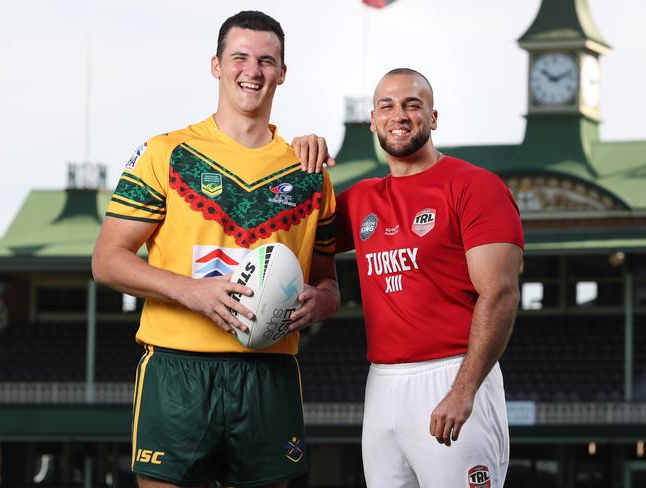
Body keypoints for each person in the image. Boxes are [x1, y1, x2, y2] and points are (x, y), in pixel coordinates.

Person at [92, 11, 339, 488]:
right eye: (240, 57)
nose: (253, 70)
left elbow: (327, 280)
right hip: (178, 364)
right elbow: (107, 260)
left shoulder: (310, 171)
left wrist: (325, 300)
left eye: (267, 60)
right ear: (216, 65)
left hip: (269, 370)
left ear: (283, 73)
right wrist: (194, 292)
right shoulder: (166, 153)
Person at [335, 68, 524, 488]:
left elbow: (501, 293)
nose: (398, 115)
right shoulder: (362, 198)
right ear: (372, 120)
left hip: (451, 373)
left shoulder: (475, 186)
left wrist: (464, 390)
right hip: (381, 383)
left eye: (412, 105)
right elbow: (298, 231)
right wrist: (300, 159)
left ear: (433, 118)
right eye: (387, 106)